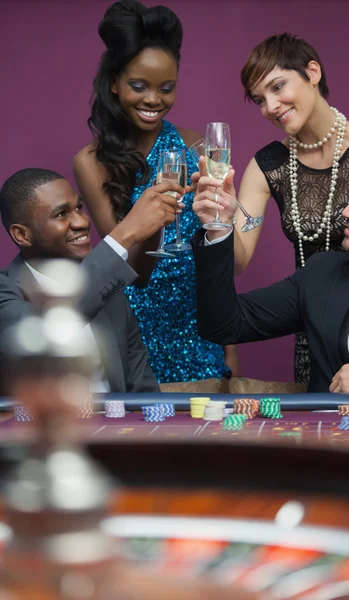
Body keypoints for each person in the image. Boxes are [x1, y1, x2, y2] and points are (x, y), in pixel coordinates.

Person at [193, 33, 349, 385]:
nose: (270, 106)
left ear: (312, 72)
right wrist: (219, 222)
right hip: (312, 313)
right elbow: (237, 260)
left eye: (278, 86)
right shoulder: (269, 164)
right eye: (260, 99)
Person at [73, 0, 239, 385]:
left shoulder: (192, 142)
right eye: (138, 86)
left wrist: (212, 213)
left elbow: (218, 252)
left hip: (194, 320)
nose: (153, 100)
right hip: (137, 323)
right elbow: (127, 268)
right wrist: (154, 219)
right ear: (114, 82)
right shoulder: (92, 161)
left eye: (166, 88)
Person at [192, 153, 349, 394]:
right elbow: (221, 325)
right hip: (320, 431)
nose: (347, 211)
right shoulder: (323, 272)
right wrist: (218, 227)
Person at [0, 167, 186, 394]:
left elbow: (143, 392)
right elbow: (49, 331)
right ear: (22, 235)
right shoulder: (5, 290)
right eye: (61, 214)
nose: (81, 222)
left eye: (79, 207)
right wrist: (125, 233)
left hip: (116, 428)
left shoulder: (110, 288)